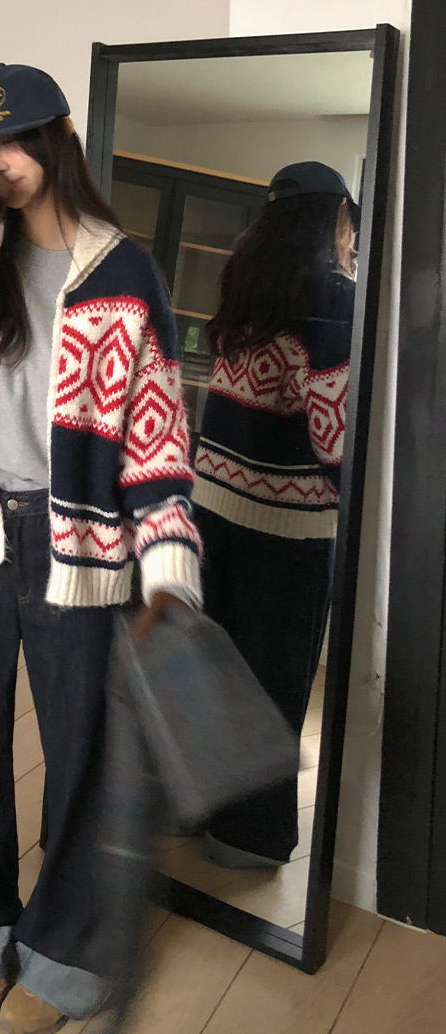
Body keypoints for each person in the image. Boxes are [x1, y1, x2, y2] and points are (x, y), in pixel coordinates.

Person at [0, 59, 201, 1034]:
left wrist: (167, 567)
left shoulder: (125, 271)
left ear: (59, 135)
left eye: (11, 139)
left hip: (85, 547)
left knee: (86, 754)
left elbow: (154, 436)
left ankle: (69, 947)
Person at [192, 159, 358, 868]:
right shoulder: (335, 297)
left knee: (208, 669)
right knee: (271, 681)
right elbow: (335, 438)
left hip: (210, 506)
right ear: (336, 216)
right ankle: (245, 838)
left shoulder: (245, 284)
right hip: (287, 528)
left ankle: (186, 810)